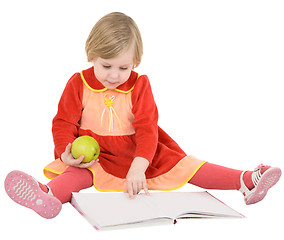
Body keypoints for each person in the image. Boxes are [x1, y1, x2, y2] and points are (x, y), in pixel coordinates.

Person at [5, 12, 281, 219]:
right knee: (77, 172)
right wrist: (64, 151)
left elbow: (148, 128)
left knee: (186, 166)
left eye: (123, 67)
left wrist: (140, 163)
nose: (114, 75)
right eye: (106, 65)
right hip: (96, 154)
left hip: (139, 150)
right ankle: (47, 195)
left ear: (135, 62)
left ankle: (245, 180)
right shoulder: (78, 82)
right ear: (91, 55)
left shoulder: (140, 84)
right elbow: (64, 121)